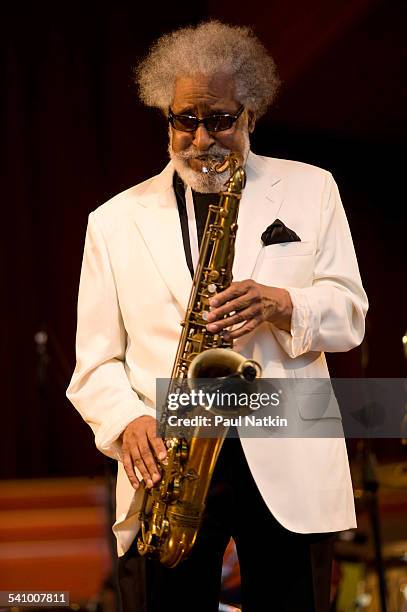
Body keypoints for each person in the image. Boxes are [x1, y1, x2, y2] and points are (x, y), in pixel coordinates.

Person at [67, 21, 368, 612]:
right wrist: (129, 423)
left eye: (220, 119)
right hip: (170, 463)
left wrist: (284, 304)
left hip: (289, 448)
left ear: (250, 114)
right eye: (185, 120)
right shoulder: (112, 220)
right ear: (167, 117)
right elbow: (95, 362)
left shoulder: (313, 189)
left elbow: (350, 315)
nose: (202, 138)